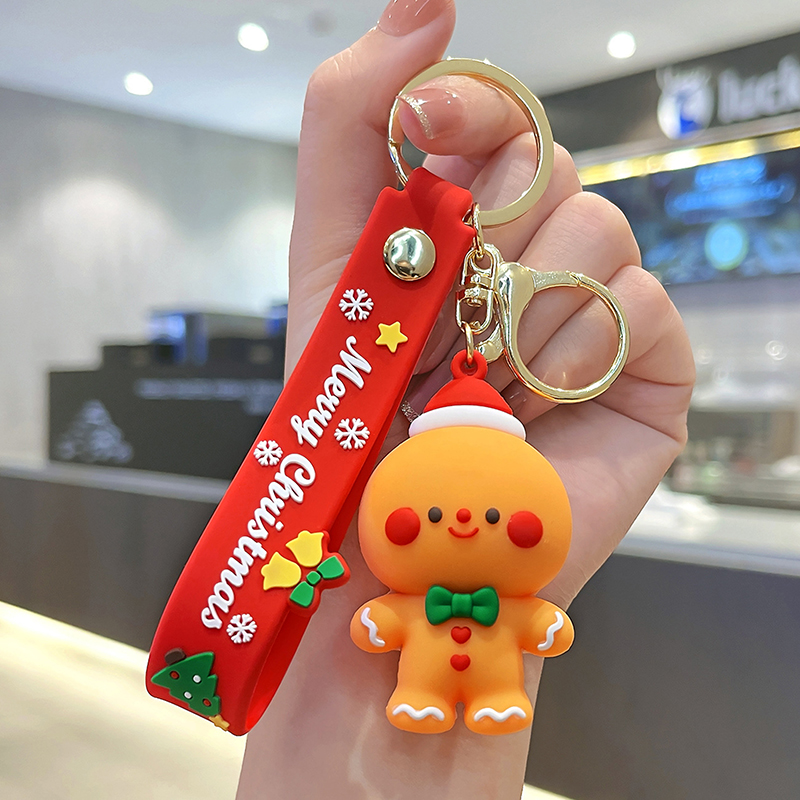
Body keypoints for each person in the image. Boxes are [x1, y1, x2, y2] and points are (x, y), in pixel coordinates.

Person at [236, 0, 695, 797]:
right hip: (405, 666)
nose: (462, 525)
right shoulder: (405, 535)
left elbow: (538, 623)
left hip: (484, 682)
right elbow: (385, 621)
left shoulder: (502, 569)